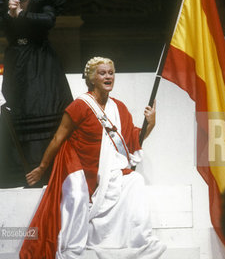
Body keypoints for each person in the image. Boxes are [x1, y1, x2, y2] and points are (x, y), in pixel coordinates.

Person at [19, 57, 166, 258]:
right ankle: (72, 248)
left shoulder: (119, 108)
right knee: (78, 196)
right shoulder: (80, 105)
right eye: (102, 73)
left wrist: (151, 124)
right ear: (91, 78)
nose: (108, 77)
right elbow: (57, 138)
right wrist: (42, 168)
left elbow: (132, 140)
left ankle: (139, 241)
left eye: (111, 73)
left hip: (109, 169)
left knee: (136, 181)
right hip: (81, 166)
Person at [0, 0, 73, 188]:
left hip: (41, 60)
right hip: (16, 63)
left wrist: (21, 14)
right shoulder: (2, 5)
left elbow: (48, 22)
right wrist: (8, 14)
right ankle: (23, 172)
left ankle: (53, 170)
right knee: (19, 109)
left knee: (45, 106)